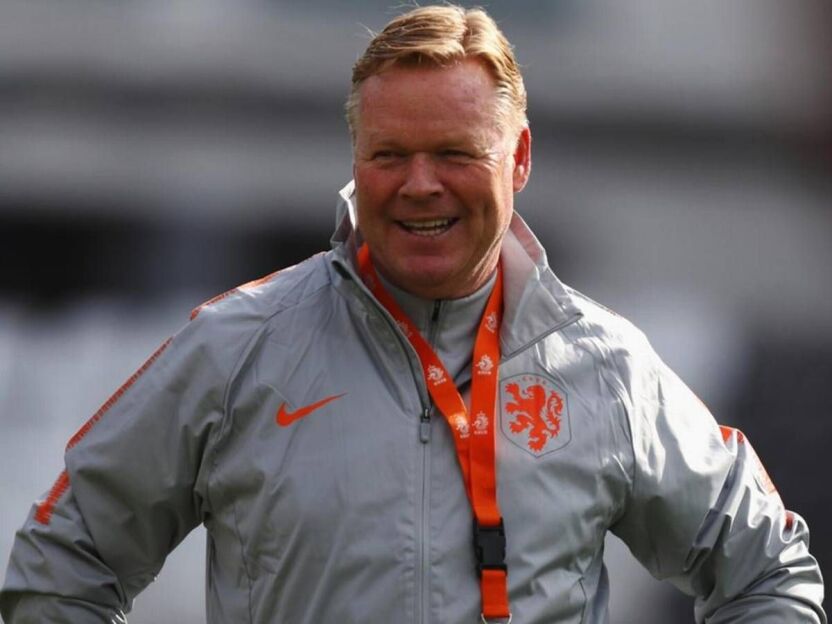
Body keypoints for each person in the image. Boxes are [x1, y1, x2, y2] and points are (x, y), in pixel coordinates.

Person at [1, 5, 826, 623]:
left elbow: (769, 573)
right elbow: (63, 563)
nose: (420, 185)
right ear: (356, 159)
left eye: (456, 154)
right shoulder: (236, 350)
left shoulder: (606, 368)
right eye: (390, 155)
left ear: (519, 157)